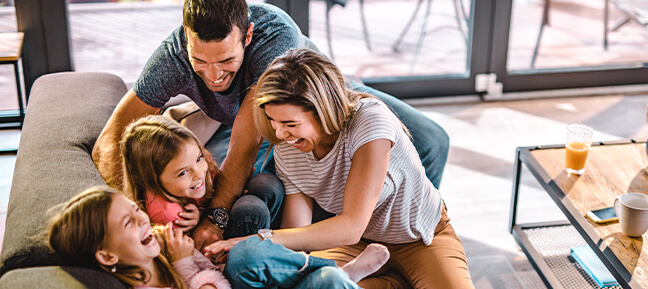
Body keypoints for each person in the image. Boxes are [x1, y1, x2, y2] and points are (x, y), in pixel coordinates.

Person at [91, 0, 449, 251]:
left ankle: (401, 238)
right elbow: (111, 139)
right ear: (185, 40)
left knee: (432, 140)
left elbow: (246, 145)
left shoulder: (274, 35)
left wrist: (214, 219)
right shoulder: (172, 57)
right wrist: (135, 209)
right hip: (253, 123)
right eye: (200, 61)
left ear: (247, 36)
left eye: (227, 61)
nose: (214, 76)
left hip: (318, 98)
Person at [204, 49, 473, 289]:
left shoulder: (370, 122)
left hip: (419, 238)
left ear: (322, 109)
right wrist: (261, 254)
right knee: (311, 283)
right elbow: (299, 231)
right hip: (357, 247)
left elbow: (351, 225)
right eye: (273, 121)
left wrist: (257, 240)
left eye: (290, 123)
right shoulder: (289, 145)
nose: (278, 132)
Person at [47, 186, 391, 289]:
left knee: (251, 257)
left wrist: (202, 256)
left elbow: (210, 275)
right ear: (107, 256)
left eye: (136, 211)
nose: (142, 221)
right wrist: (186, 263)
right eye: (128, 223)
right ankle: (340, 275)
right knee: (250, 258)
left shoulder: (161, 252)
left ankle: (340, 272)